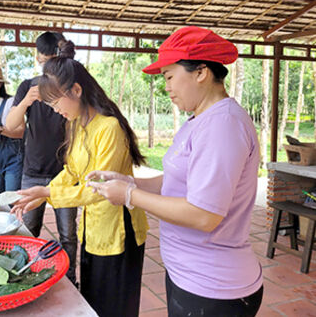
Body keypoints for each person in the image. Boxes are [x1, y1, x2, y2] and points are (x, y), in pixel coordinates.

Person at [87, 26, 263, 316]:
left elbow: (203, 215)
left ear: (201, 72)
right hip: (190, 275)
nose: (166, 86)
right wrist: (131, 182)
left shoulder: (223, 125)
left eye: (169, 76)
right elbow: (176, 182)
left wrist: (130, 196)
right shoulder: (199, 119)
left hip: (213, 287)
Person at [10, 41, 149, 317]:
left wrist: (49, 195)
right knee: (94, 301)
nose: (55, 110)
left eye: (56, 102)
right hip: (93, 230)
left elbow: (101, 189)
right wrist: (44, 190)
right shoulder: (77, 125)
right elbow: (73, 172)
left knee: (115, 307)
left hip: (118, 233)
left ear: (76, 90)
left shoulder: (108, 128)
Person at [6, 32, 78, 284]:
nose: (49, 68)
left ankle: (70, 279)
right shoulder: (28, 86)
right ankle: (24, 277)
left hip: (65, 172)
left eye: (54, 61)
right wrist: (26, 101)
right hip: (33, 170)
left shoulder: (69, 85)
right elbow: (11, 125)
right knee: (28, 229)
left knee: (68, 233)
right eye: (45, 61)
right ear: (37, 58)